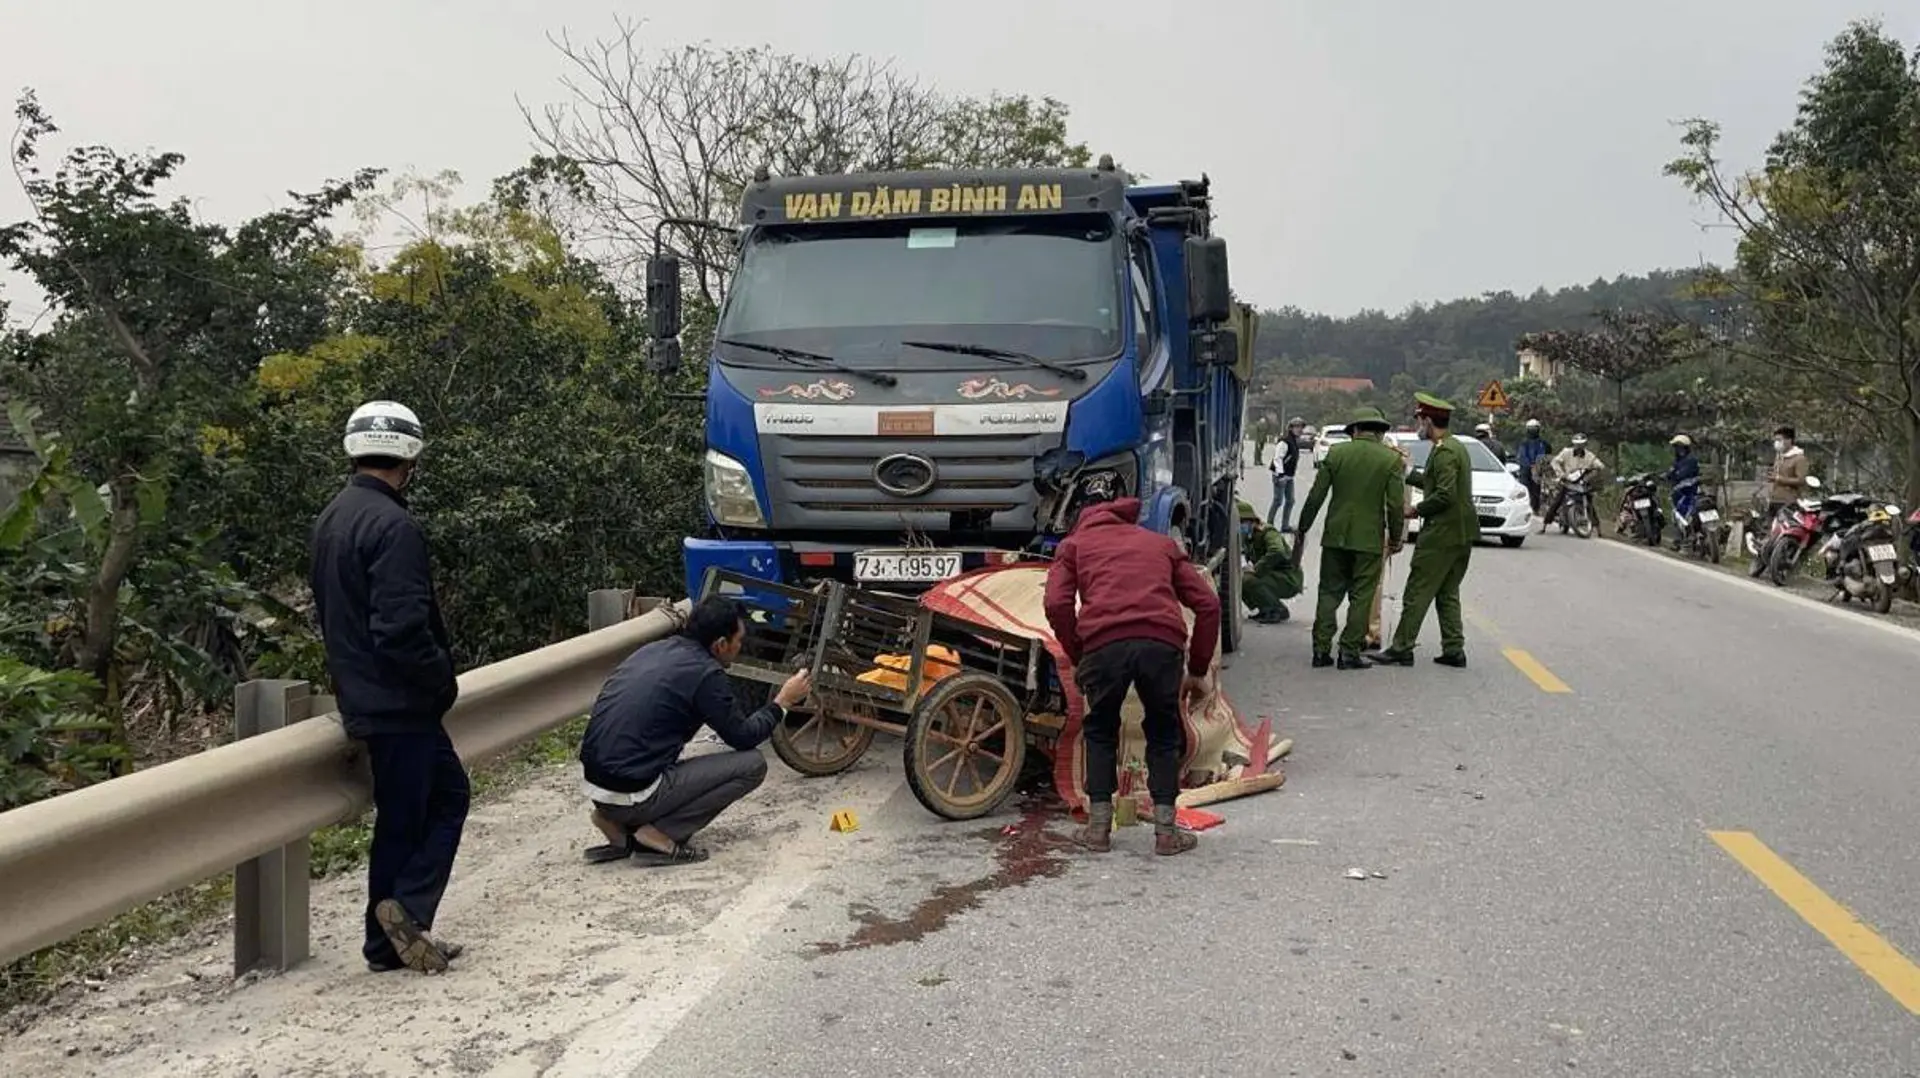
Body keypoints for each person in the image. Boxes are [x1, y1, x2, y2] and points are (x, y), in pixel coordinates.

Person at [310, 401, 467, 975]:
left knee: (414, 814)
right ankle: (403, 916)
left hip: (362, 695)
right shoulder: (393, 526)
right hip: (401, 703)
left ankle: (392, 938)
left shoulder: (332, 517)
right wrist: (440, 683)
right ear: (411, 459)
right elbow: (400, 630)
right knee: (431, 809)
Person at [1044, 493, 1220, 857]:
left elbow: (1056, 604)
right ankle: (1166, 833)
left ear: (1084, 518)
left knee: (1100, 729)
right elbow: (1208, 604)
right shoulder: (1160, 544)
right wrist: (1199, 669)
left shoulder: (1074, 545)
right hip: (1162, 643)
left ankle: (1097, 831)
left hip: (1103, 646)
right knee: (1163, 730)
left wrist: (1079, 654)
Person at [578, 597, 812, 866]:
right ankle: (659, 834)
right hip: (631, 792)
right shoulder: (706, 674)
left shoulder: (653, 649)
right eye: (739, 641)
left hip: (596, 787)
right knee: (752, 764)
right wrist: (782, 702)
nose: (740, 647)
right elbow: (743, 737)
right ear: (720, 645)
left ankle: (615, 824)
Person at [1292, 406, 1405, 670]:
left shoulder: (1337, 453)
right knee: (1362, 596)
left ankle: (1321, 650)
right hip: (1368, 540)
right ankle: (1349, 652)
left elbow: (1317, 495)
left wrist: (1303, 527)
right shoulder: (1390, 460)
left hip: (1335, 536)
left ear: (1355, 430)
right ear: (1379, 432)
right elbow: (1395, 505)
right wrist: (1397, 538)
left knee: (1329, 592)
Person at [1371, 392, 1479, 668]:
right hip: (1461, 533)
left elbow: (1444, 495)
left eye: (1420, 420)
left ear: (1429, 421)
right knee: (1447, 592)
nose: (1419, 425)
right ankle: (1454, 649)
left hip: (1441, 533)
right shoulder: (1454, 447)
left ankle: (1401, 647)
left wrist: (1414, 510)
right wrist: (1407, 471)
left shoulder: (1444, 453)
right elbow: (1434, 484)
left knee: (1417, 591)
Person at [1238, 500, 1300, 624]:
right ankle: (1265, 608)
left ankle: (1277, 609)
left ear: (1251, 521)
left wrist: (1257, 568)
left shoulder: (1267, 532)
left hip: (1288, 578)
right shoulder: (1248, 537)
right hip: (1273, 575)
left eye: (1242, 523)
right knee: (1239, 578)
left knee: (1248, 580)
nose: (1240, 527)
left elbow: (1277, 551)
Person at [1539, 434, 1605, 529]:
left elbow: (1600, 465)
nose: (1579, 447)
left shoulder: (1589, 456)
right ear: (1573, 444)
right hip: (1567, 481)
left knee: (1589, 503)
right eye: (1577, 444)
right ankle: (1544, 525)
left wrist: (1592, 471)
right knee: (1557, 502)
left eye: (1581, 444)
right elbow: (1555, 462)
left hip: (1582, 482)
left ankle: (1598, 528)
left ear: (1585, 445)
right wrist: (1561, 474)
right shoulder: (1566, 452)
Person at [1764, 425, 1808, 525]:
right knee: (1770, 530)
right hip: (1774, 500)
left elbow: (1800, 480)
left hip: (1788, 502)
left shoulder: (1799, 458)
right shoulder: (1780, 457)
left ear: (1789, 440)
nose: (1776, 443)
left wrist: (1780, 479)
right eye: (1775, 440)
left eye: (1779, 440)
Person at [1268, 417, 1305, 528]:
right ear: (1290, 428)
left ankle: (1285, 525)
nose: (1299, 429)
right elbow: (1277, 458)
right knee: (1278, 501)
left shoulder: (1294, 441)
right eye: (1296, 427)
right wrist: (1281, 475)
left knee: (1290, 501)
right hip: (1281, 476)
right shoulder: (1284, 441)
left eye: (1301, 427)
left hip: (1289, 476)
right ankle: (1269, 525)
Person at [1667, 434, 1701, 550]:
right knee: (1677, 514)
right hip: (1679, 492)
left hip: (1690, 491)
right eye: (1676, 447)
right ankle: (1678, 540)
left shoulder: (1691, 460)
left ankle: (1684, 538)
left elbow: (1684, 474)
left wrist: (1675, 475)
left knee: (1686, 512)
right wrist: (1667, 475)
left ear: (1685, 448)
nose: (1678, 449)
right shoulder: (1677, 461)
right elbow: (1671, 473)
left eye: (1680, 447)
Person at [1515, 419, 1551, 512]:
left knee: (1536, 490)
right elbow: (1522, 456)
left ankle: (1535, 508)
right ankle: (1526, 508)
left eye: (1534, 428)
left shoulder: (1543, 443)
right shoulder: (1524, 443)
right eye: (1531, 428)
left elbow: (1545, 456)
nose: (1532, 430)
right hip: (1527, 469)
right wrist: (1531, 465)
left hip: (1536, 469)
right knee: (1526, 489)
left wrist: (1537, 465)